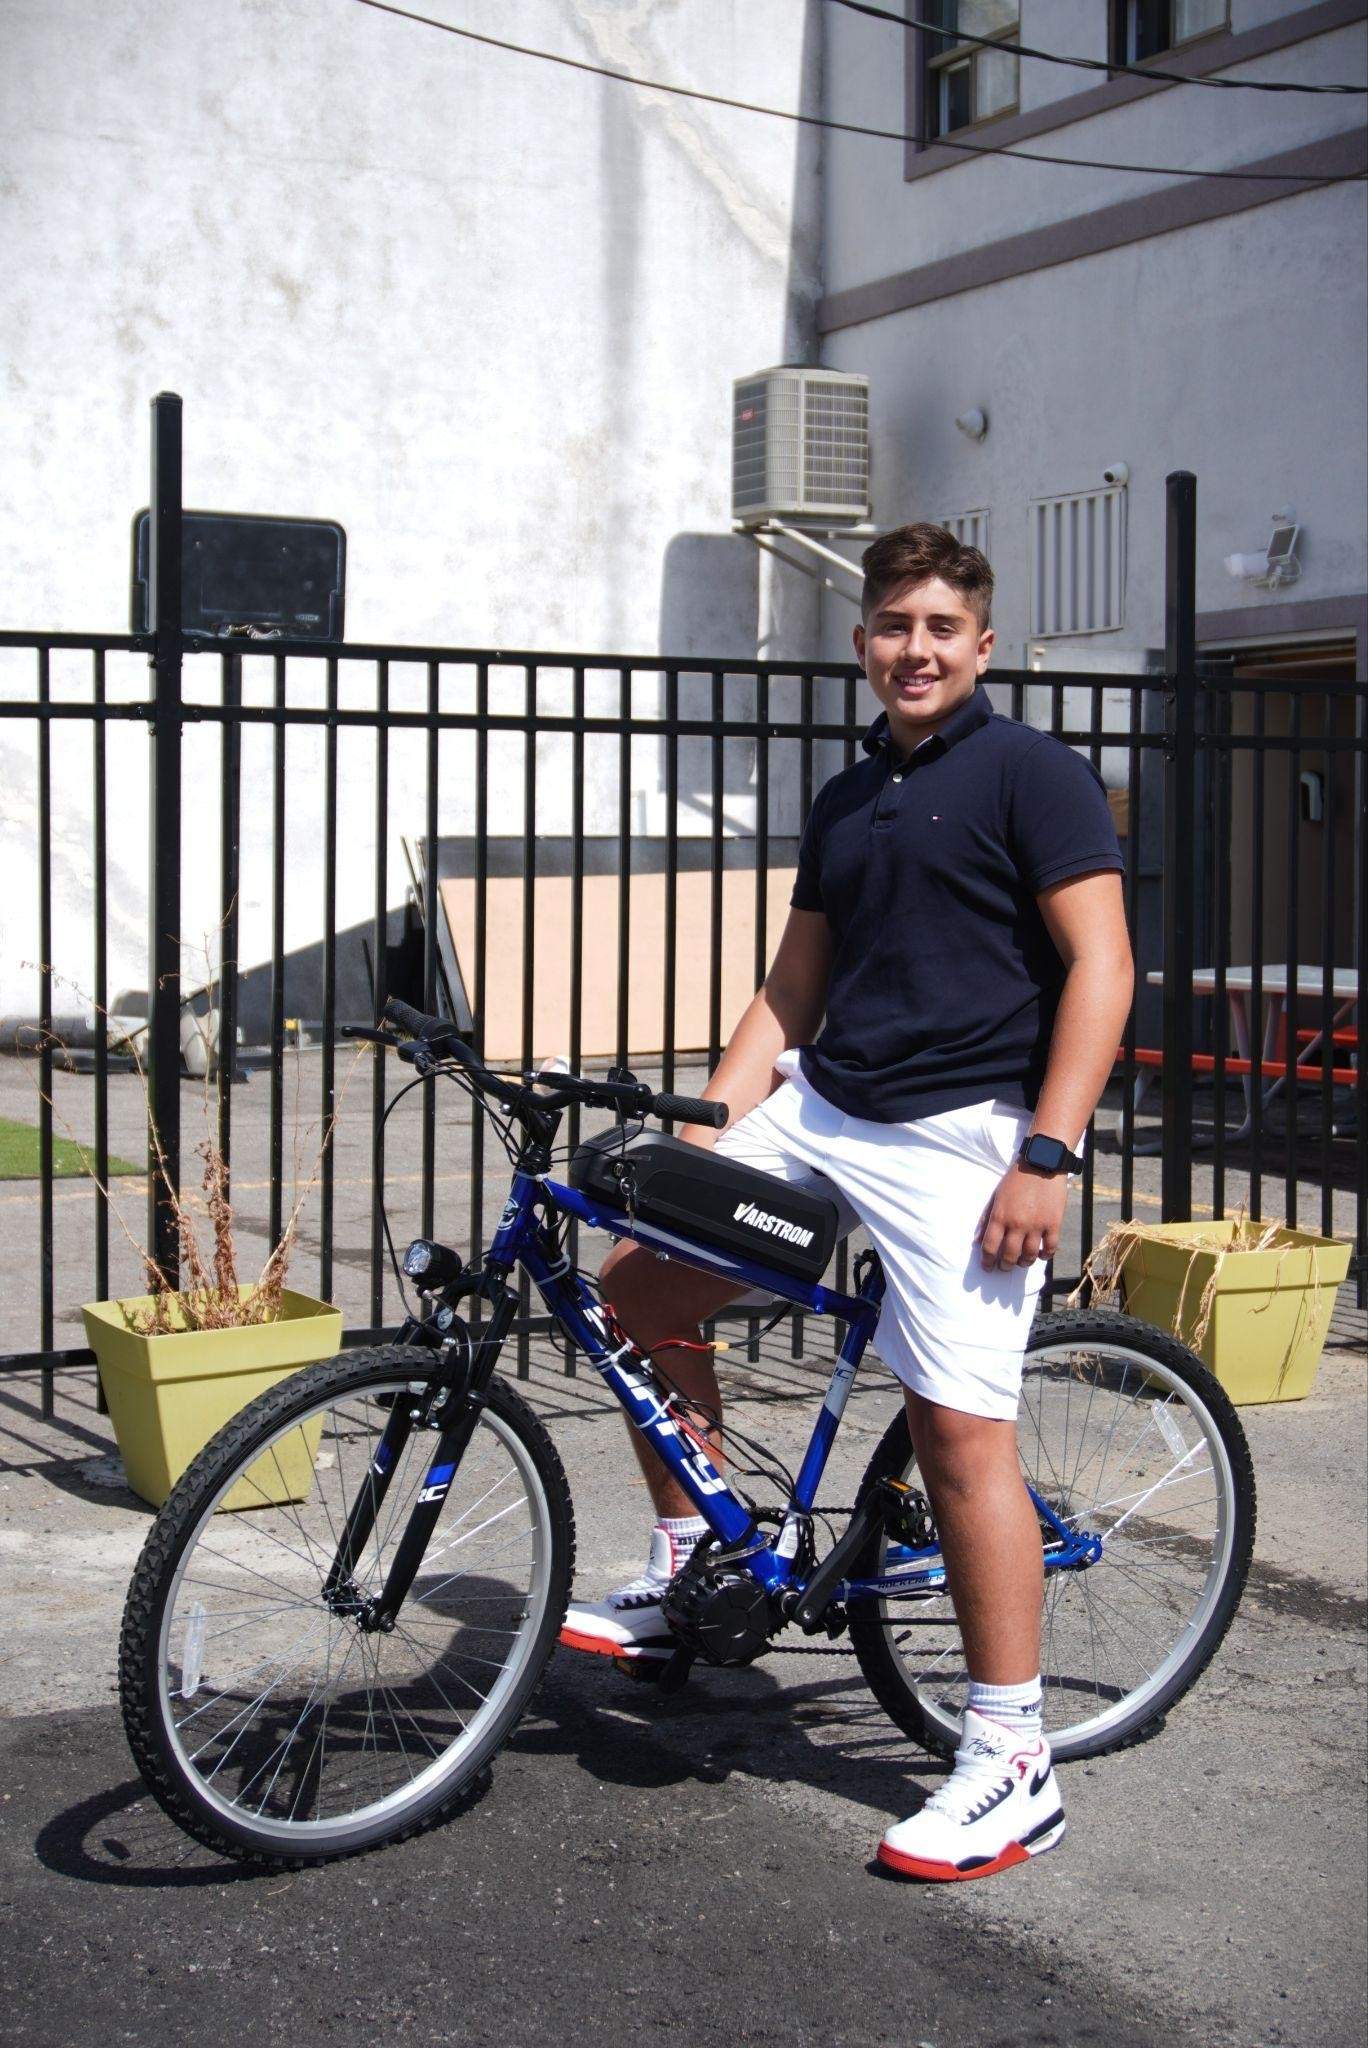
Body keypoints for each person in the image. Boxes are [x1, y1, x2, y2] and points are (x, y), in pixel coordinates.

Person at [560, 523, 1134, 1881]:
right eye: (894, 626)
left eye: (942, 627)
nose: (916, 649)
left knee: (956, 1434)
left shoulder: (1033, 773)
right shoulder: (846, 795)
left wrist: (1045, 1158)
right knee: (637, 1290)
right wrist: (706, 1131)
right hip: (826, 1105)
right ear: (862, 641)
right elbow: (790, 992)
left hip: (967, 1132)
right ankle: (690, 1559)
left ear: (981, 645)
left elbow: (1102, 969)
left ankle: (1010, 1758)